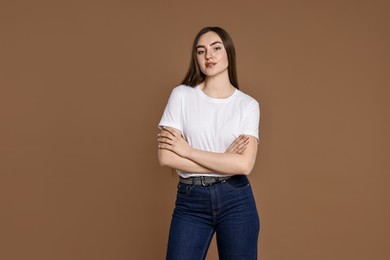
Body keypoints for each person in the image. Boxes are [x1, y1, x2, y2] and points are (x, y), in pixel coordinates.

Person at [157, 26, 260, 260]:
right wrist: (224, 160)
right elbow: (166, 157)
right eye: (201, 51)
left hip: (236, 200)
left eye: (216, 48)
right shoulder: (181, 95)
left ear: (228, 53)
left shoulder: (248, 105)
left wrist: (187, 151)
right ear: (196, 58)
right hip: (191, 199)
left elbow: (244, 166)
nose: (208, 56)